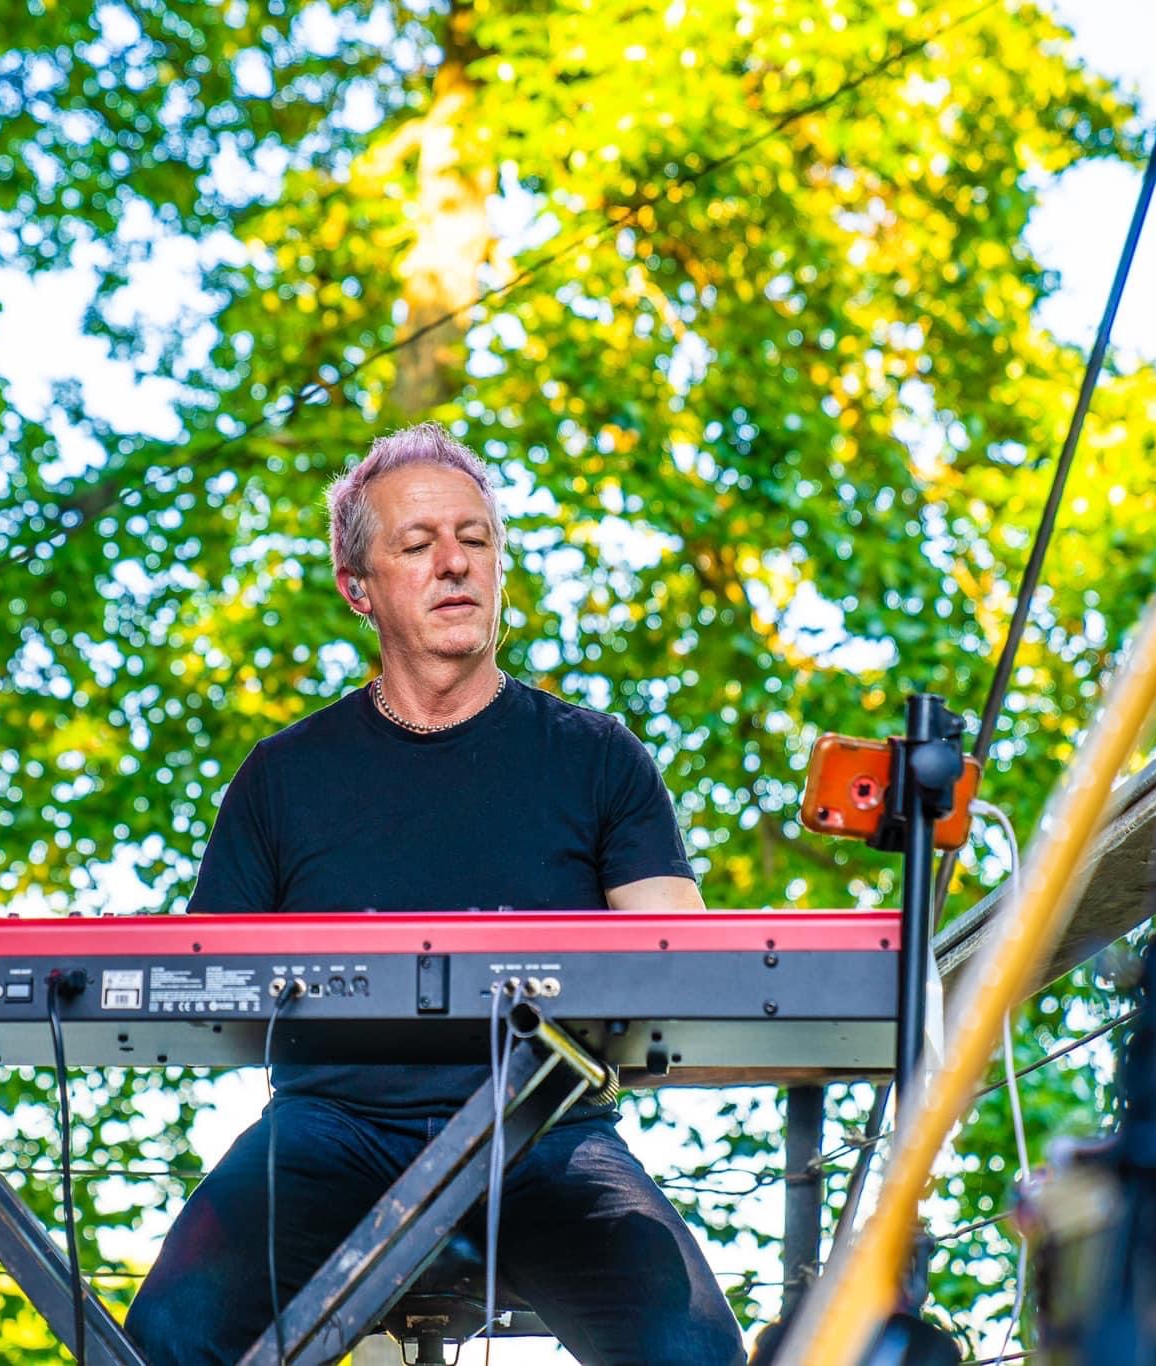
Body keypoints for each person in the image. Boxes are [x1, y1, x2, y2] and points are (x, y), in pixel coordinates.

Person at [126, 424, 744, 1365]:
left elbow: (682, 968)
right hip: (328, 1130)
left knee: (692, 1349)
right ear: (358, 588)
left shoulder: (598, 756)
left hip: (548, 1129)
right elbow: (210, 981)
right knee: (167, 1334)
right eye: (417, 545)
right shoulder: (281, 777)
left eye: (476, 538)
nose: (454, 562)